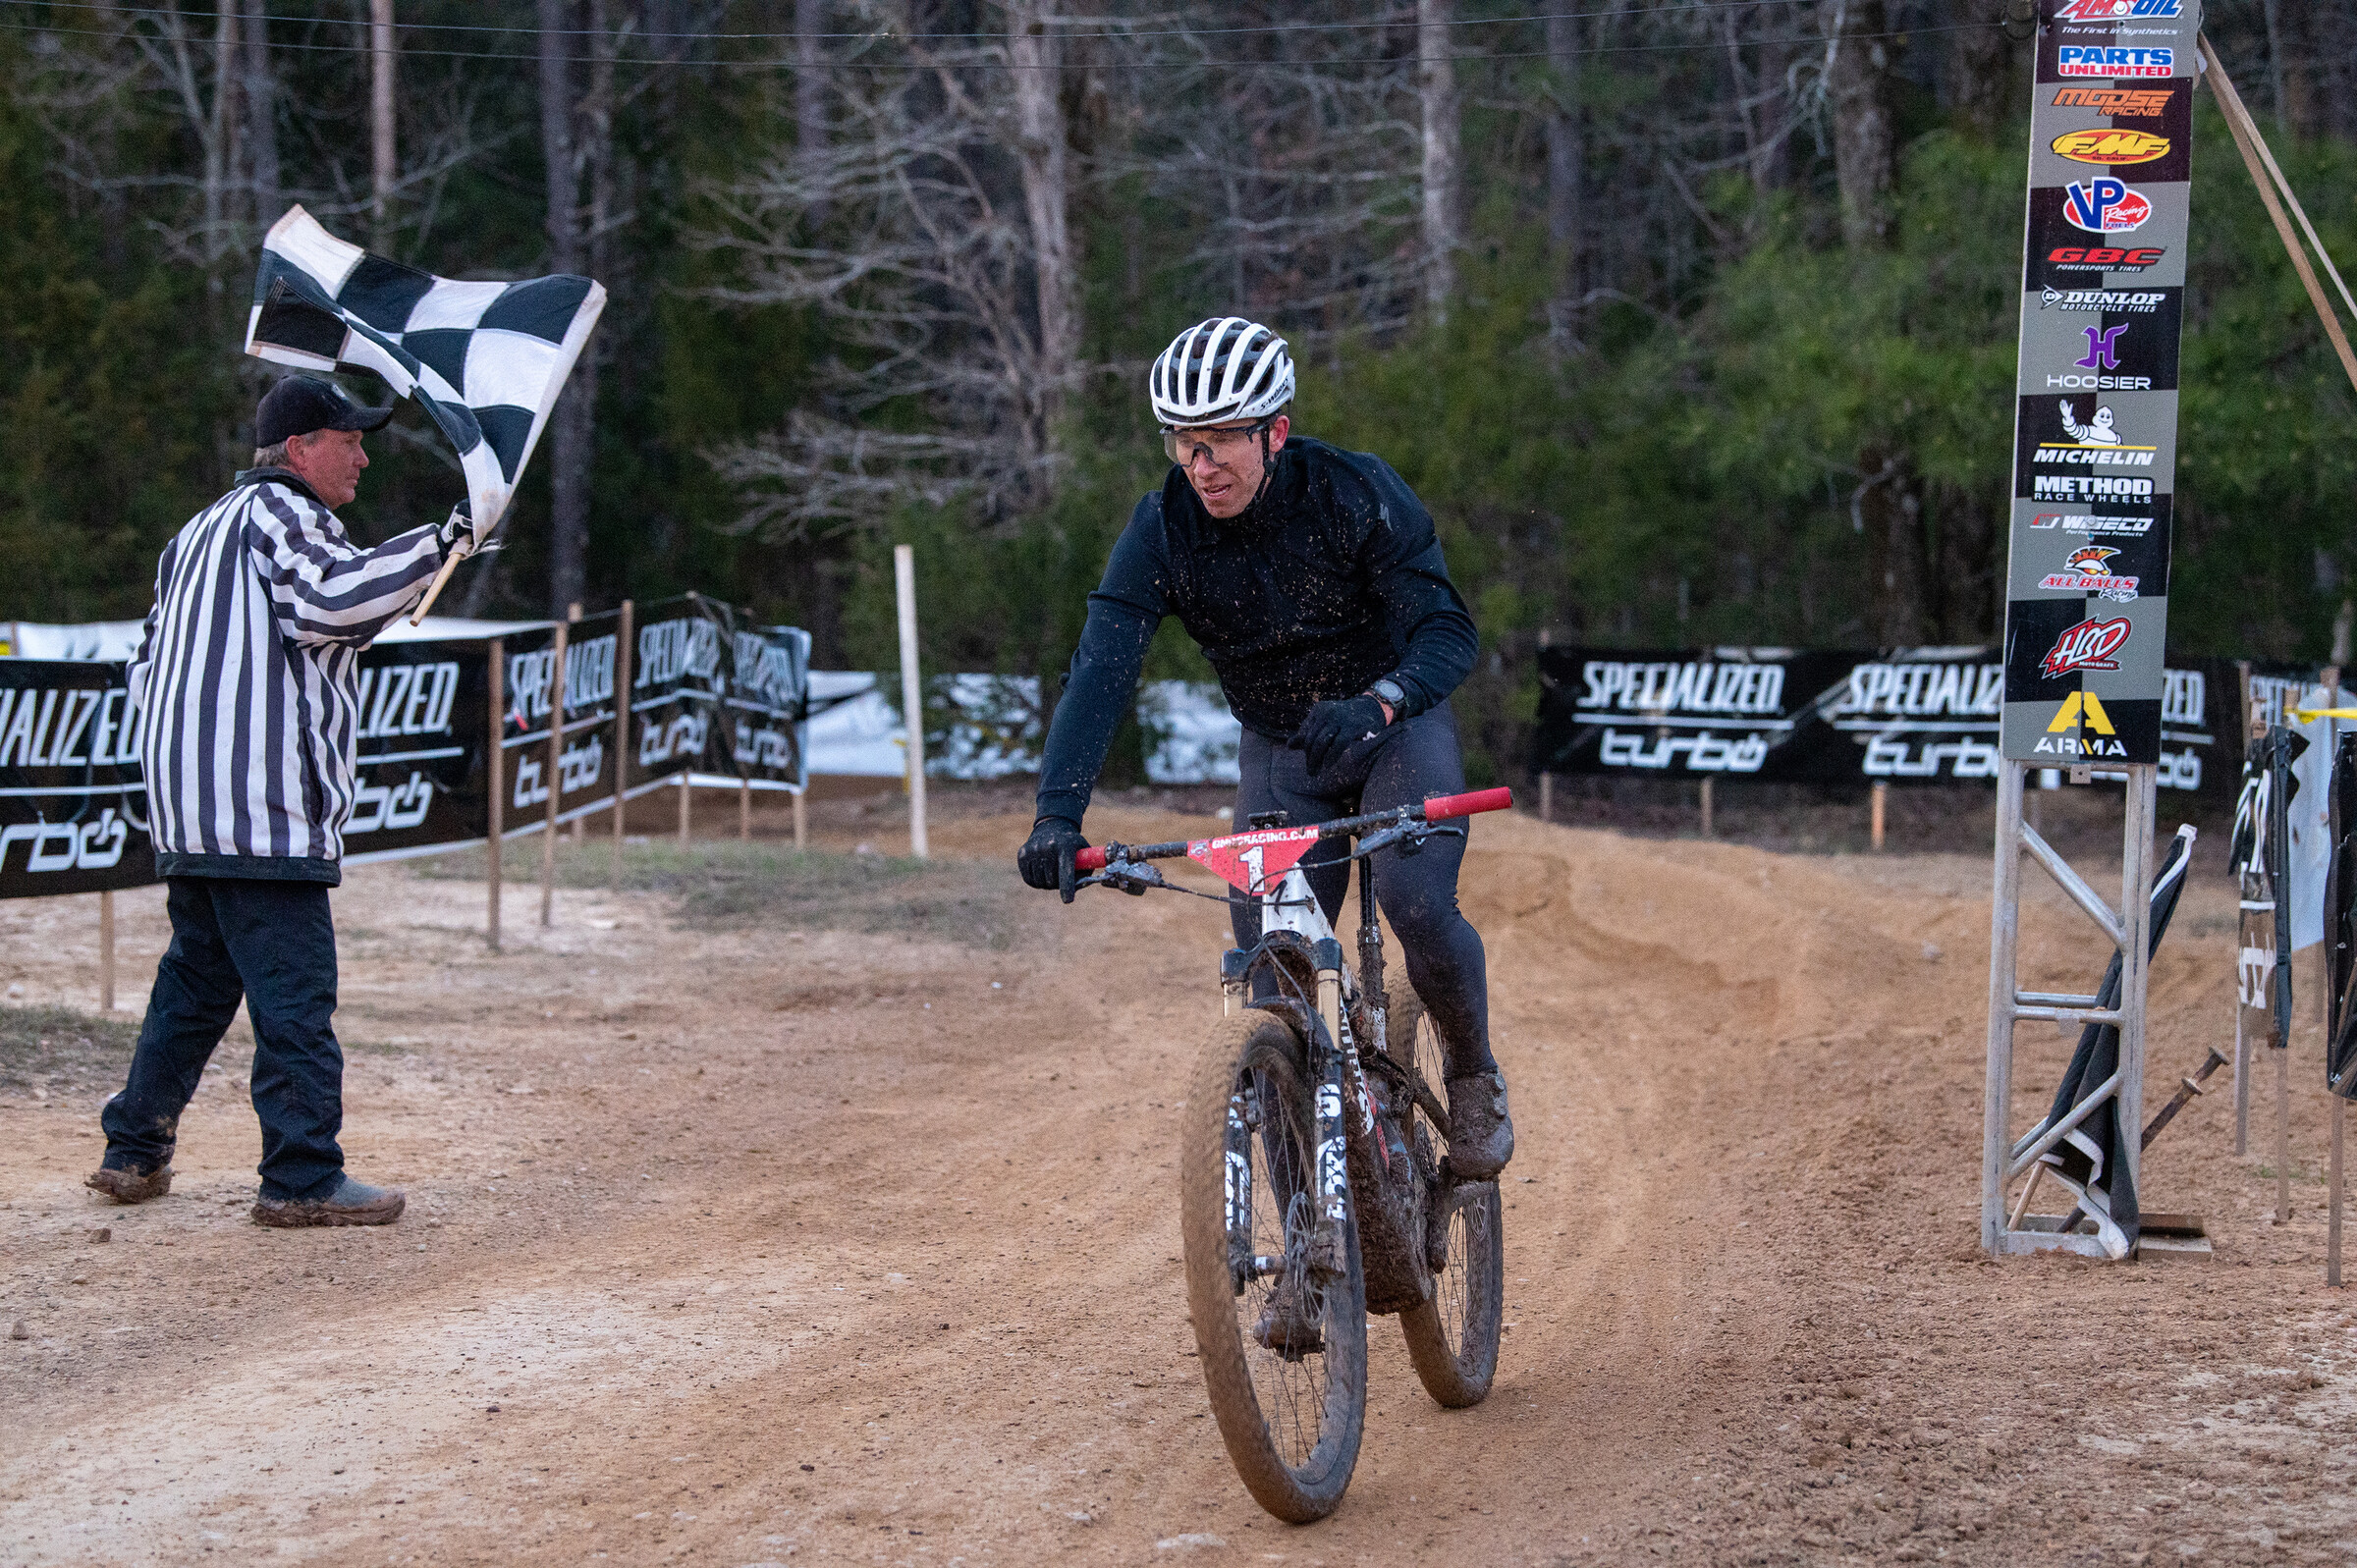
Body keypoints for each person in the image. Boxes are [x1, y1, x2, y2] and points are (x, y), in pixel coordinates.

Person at [1016, 315, 1513, 1180]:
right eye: (1182, 442)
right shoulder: (1163, 528)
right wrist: (1058, 814)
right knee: (1275, 979)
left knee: (1416, 901)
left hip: (1392, 726)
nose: (1199, 466)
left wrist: (1382, 702)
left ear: (1274, 432)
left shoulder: (1352, 492)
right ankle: (1302, 1266)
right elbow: (1101, 667)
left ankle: (1472, 1073)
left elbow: (1444, 630)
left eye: (1217, 443)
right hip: (1285, 751)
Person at [86, 374, 489, 1227]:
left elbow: (146, 661)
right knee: (296, 997)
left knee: (194, 985)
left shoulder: (194, 533)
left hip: (192, 808)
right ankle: (301, 1174)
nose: (365, 453)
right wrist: (444, 539)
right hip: (262, 810)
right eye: (352, 438)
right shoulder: (287, 516)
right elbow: (329, 600)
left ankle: (134, 1148)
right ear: (302, 448)